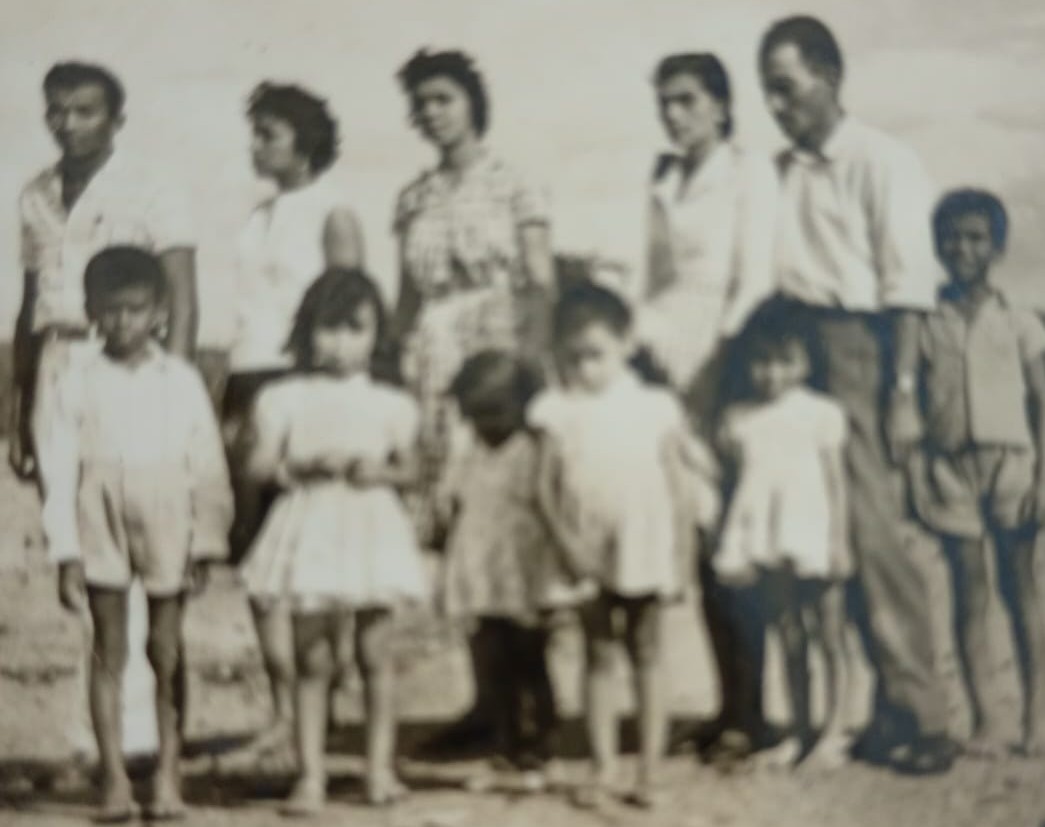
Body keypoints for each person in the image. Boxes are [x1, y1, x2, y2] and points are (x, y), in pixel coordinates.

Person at [760, 15, 955, 773]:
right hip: (789, 348)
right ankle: (855, 713)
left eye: (787, 87)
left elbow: (907, 289)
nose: (777, 105)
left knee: (872, 531)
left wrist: (902, 390)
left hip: (859, 347)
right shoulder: (777, 170)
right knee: (810, 535)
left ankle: (923, 714)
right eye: (768, 92)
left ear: (829, 77)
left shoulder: (882, 160)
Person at [13, 60, 198, 776]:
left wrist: (172, 389)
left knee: (142, 539)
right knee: (80, 546)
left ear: (116, 119)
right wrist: (18, 404)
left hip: (129, 368)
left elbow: (181, 296)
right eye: (56, 110)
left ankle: (151, 739)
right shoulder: (35, 194)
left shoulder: (153, 187)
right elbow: (30, 303)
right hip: (59, 368)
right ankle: (97, 738)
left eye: (85, 110)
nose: (68, 123)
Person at [393, 47, 554, 751]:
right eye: (422, 103)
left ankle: (534, 706)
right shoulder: (413, 197)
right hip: (434, 367)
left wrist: (526, 378)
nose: (433, 113)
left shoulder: (515, 184)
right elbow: (405, 299)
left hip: (497, 364)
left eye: (444, 99)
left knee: (509, 534)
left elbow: (540, 285)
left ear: (473, 103)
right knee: (460, 535)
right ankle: (484, 702)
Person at [40, 246, 231, 822]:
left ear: (159, 312)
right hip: (100, 512)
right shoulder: (76, 380)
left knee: (166, 649)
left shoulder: (181, 380)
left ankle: (169, 777)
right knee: (109, 648)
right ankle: (114, 779)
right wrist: (66, 551)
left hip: (169, 512)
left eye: (137, 309)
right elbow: (59, 468)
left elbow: (207, 463)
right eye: (112, 310)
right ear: (92, 312)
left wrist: (207, 538)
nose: (124, 322)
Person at [239, 267, 428, 815]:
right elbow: (257, 466)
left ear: (376, 336)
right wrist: (299, 467)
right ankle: (311, 775)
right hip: (311, 527)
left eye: (355, 330)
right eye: (329, 329)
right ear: (307, 331)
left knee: (375, 653)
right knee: (313, 658)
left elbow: (414, 469)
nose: (341, 344)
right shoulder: (283, 397)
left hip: (370, 526)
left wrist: (381, 473)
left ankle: (379, 770)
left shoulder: (391, 403)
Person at [531, 281, 718, 810]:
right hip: (585, 546)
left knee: (647, 649)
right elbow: (543, 488)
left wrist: (680, 555)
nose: (585, 369)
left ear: (626, 344)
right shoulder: (554, 409)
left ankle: (650, 769)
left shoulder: (655, 406)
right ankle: (603, 765)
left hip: (643, 544)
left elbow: (679, 488)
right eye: (573, 358)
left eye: (596, 355)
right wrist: (566, 545)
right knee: (596, 652)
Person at [642, 51, 778, 763]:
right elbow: (654, 278)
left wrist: (720, 372)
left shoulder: (749, 172)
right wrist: (645, 358)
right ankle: (725, 705)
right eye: (665, 102)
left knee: (734, 543)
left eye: (687, 100)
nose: (674, 114)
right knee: (697, 538)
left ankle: (752, 714)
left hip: (725, 359)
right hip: (667, 364)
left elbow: (753, 278)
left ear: (722, 106)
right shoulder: (664, 178)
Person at [224, 81, 365, 761]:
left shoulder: (332, 211)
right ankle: (284, 710)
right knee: (258, 552)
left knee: (314, 546)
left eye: (269, 135)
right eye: (254, 134)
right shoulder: (257, 216)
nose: (256, 146)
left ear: (304, 142)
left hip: (304, 383)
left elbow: (350, 307)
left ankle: (323, 708)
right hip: (247, 380)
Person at [907, 189, 1045, 758]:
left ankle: (1037, 716)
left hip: (1012, 464)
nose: (962, 249)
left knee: (1021, 586)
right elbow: (914, 404)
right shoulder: (924, 321)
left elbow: (1042, 400)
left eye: (976, 238)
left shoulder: (1020, 321)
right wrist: (918, 473)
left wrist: (1042, 477)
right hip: (949, 468)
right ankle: (988, 718)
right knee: (969, 593)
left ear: (998, 247)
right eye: (951, 238)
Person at [714, 298, 854, 770]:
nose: (772, 373)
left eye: (784, 361)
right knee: (789, 636)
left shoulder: (822, 413)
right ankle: (798, 729)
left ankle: (834, 730)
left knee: (829, 634)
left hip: (814, 533)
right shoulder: (739, 418)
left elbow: (836, 483)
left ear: (805, 363)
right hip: (769, 536)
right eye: (762, 362)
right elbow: (740, 482)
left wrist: (839, 541)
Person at [438, 350, 569, 791]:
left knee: (529, 660)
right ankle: (505, 747)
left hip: (522, 571)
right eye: (475, 413)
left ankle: (539, 748)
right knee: (492, 662)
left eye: (496, 411)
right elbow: (456, 508)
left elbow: (549, 508)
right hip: (482, 569)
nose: (485, 422)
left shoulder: (535, 448)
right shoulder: (468, 450)